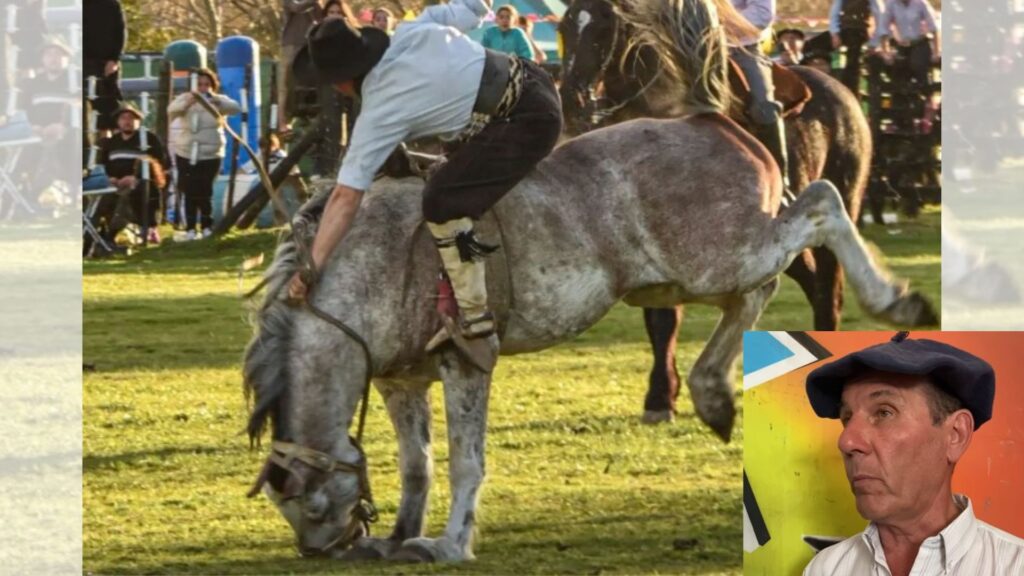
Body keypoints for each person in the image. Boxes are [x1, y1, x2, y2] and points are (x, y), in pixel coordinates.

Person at [288, 1, 561, 366]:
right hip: (533, 80)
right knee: (445, 166)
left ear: (339, 81)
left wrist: (312, 267)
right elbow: (475, 7)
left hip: (527, 122)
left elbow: (345, 195)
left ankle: (475, 319)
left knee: (441, 202)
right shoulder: (413, 28)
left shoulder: (380, 111)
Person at [803, 332, 1024, 576]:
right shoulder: (826, 569)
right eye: (846, 419)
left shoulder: (1014, 566)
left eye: (884, 412)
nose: (846, 441)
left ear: (955, 435)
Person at [166, 68, 241, 240]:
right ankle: (190, 228)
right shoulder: (185, 98)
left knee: (205, 191)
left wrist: (217, 103)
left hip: (211, 153)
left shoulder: (218, 100)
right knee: (189, 190)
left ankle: (207, 226)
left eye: (207, 84)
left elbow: (236, 107)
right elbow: (171, 111)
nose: (203, 87)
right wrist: (187, 103)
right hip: (186, 152)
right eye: (199, 84)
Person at [730, 0, 792, 198]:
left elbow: (762, 13)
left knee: (762, 107)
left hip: (741, 48)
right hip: (688, 47)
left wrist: (718, 23)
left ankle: (781, 186)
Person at [97, 102, 169, 244]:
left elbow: (160, 163)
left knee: (128, 197)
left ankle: (112, 235)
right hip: (114, 184)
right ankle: (96, 234)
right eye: (123, 118)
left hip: (140, 184)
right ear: (118, 122)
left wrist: (135, 177)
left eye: (131, 118)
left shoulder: (149, 139)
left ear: (138, 121)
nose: (127, 122)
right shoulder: (111, 143)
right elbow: (103, 164)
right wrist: (110, 178)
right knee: (100, 199)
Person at [24, 36, 78, 204]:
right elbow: (24, 110)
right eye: (49, 54)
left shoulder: (75, 80)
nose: (53, 58)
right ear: (42, 59)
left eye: (58, 54)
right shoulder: (32, 84)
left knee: (73, 144)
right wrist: (33, 126)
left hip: (67, 132)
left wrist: (63, 125)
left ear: (67, 58)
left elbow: (81, 106)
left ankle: (73, 192)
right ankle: (28, 195)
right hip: (36, 132)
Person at [871, 0, 940, 88]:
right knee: (895, 67)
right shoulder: (891, 4)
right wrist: (885, 51)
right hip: (902, 45)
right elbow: (883, 29)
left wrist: (936, 52)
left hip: (920, 43)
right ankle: (900, 93)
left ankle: (924, 89)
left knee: (917, 64)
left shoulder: (921, 3)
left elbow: (934, 28)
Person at [279, 0, 323, 132]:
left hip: (308, 44)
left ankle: (308, 116)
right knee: (285, 85)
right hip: (290, 44)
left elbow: (321, 17)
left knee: (307, 82)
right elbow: (297, 8)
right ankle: (282, 122)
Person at [83, 0, 126, 135]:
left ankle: (107, 146)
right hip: (82, 62)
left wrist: (114, 59)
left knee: (107, 108)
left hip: (105, 63)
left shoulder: (111, 4)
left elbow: (120, 32)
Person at [829, 0, 884, 94]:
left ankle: (849, 88)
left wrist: (874, 42)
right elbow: (834, 13)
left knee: (854, 59)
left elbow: (880, 15)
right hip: (844, 31)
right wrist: (835, 33)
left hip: (859, 31)